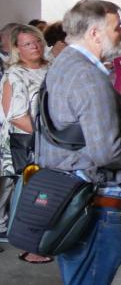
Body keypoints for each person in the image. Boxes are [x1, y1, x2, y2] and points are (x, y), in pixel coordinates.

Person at [35, 0, 121, 285]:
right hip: (94, 197)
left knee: (79, 275)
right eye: (117, 27)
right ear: (95, 33)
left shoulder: (64, 63)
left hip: (67, 188)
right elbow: (107, 149)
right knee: (92, 274)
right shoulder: (88, 76)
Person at [0, 25, 53, 264]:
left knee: (50, 195)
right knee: (32, 195)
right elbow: (15, 115)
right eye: (28, 44)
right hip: (30, 141)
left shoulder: (52, 68)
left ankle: (47, 240)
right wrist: (48, 137)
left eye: (37, 42)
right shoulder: (15, 74)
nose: (35, 47)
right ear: (17, 49)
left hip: (54, 140)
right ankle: (30, 247)